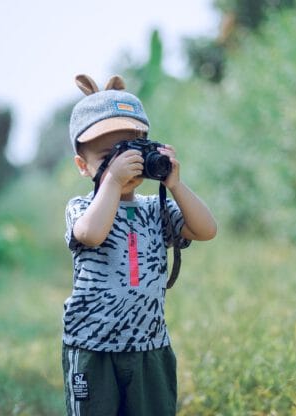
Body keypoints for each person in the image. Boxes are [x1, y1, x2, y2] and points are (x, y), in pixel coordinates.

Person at [62, 74, 217, 416]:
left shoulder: (154, 208)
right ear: (82, 166)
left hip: (149, 346)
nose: (122, 163)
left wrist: (175, 184)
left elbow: (206, 230)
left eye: (130, 151)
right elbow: (92, 234)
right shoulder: (82, 208)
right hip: (92, 347)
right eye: (108, 155)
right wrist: (114, 182)